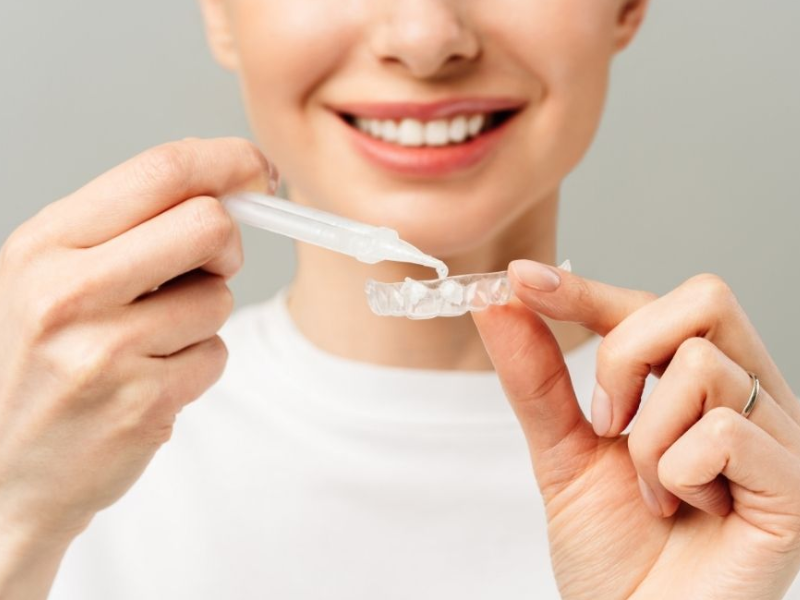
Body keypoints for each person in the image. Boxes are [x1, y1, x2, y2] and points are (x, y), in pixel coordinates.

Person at [1, 0, 799, 598]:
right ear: (220, 10)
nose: (424, 38)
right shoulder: (51, 457)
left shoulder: (742, 509)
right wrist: (14, 517)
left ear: (625, 6)